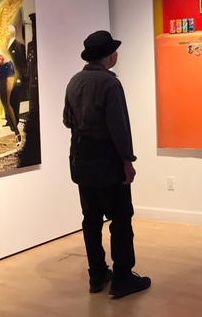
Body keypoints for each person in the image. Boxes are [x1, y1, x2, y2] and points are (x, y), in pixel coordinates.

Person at [63, 30, 151, 298]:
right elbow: (119, 127)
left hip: (81, 159)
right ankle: (122, 277)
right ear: (109, 56)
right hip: (107, 159)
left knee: (91, 219)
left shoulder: (74, 81)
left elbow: (67, 120)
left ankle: (97, 274)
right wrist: (128, 161)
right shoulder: (110, 84)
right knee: (121, 218)